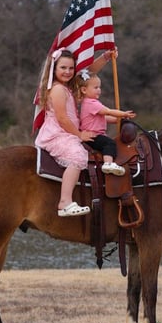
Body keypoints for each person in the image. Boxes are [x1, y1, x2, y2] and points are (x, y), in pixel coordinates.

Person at [34, 47, 117, 217]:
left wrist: (105, 57)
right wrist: (79, 135)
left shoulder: (67, 87)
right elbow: (62, 118)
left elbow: (88, 73)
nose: (68, 71)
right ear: (54, 69)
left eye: (71, 68)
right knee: (78, 156)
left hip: (66, 131)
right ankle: (65, 202)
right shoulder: (57, 89)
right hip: (57, 134)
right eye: (63, 67)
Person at [76, 69, 136, 176]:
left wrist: (118, 120)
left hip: (95, 135)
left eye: (99, 87)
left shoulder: (89, 103)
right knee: (109, 143)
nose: (99, 90)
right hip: (93, 136)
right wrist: (123, 113)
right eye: (95, 88)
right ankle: (108, 163)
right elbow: (108, 111)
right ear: (84, 90)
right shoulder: (92, 103)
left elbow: (105, 118)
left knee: (108, 142)